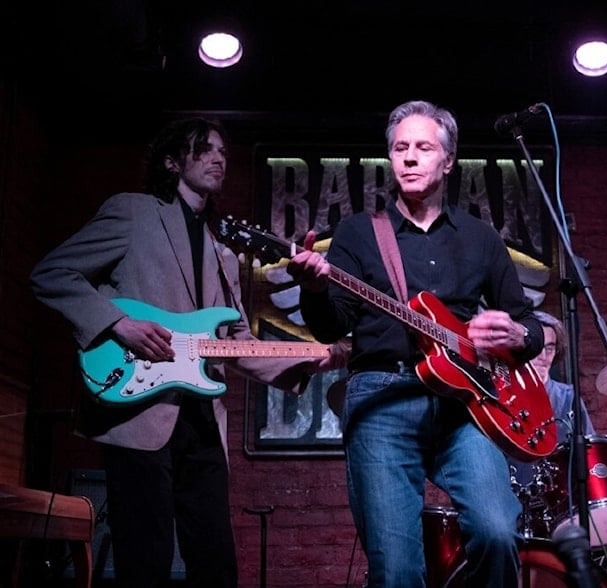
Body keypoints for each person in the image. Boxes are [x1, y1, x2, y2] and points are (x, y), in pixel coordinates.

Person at [30, 117, 343, 587]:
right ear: (172, 160)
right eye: (204, 149)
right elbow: (53, 274)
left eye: (222, 152)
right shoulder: (134, 213)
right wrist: (120, 324)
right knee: (145, 561)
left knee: (217, 564)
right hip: (139, 411)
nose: (218, 158)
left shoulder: (223, 253)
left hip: (202, 422)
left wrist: (318, 356)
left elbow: (235, 342)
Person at [285, 99, 545, 587]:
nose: (407, 157)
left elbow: (529, 324)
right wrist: (315, 288)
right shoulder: (359, 233)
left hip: (468, 406)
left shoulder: (480, 237)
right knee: (398, 568)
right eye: (399, 148)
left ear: (447, 161)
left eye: (422, 147)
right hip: (383, 396)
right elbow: (329, 326)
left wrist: (516, 333)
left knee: (496, 532)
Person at [507, 310, 595, 535]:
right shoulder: (502, 396)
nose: (543, 356)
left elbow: (590, 452)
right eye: (537, 348)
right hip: (509, 506)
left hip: (560, 510)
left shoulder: (569, 397)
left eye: (550, 348)